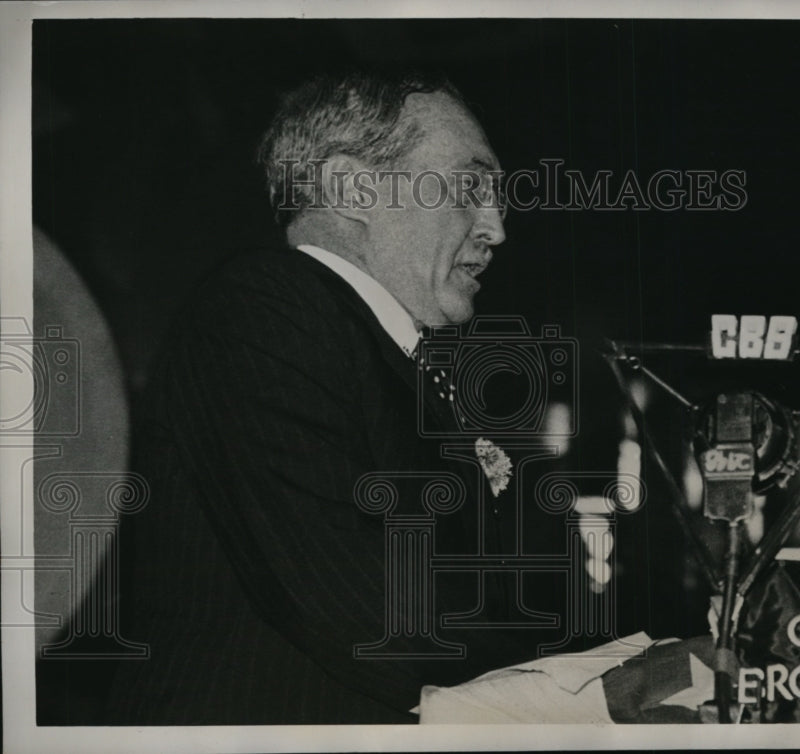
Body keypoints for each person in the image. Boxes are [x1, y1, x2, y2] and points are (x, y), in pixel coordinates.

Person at [106, 70, 551, 725]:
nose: (497, 227)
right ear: (351, 188)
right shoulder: (265, 309)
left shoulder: (380, 350)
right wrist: (589, 677)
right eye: (470, 186)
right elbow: (361, 607)